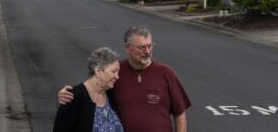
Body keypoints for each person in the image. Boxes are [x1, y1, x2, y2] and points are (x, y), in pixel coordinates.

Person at [58, 26, 192, 132]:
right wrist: (68, 94)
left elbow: (180, 114)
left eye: (150, 46)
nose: (147, 51)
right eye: (141, 47)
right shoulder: (117, 71)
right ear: (127, 48)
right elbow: (94, 87)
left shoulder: (166, 72)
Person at [53, 47, 123, 132]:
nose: (117, 77)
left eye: (118, 72)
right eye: (113, 71)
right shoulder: (73, 97)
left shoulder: (111, 92)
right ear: (98, 71)